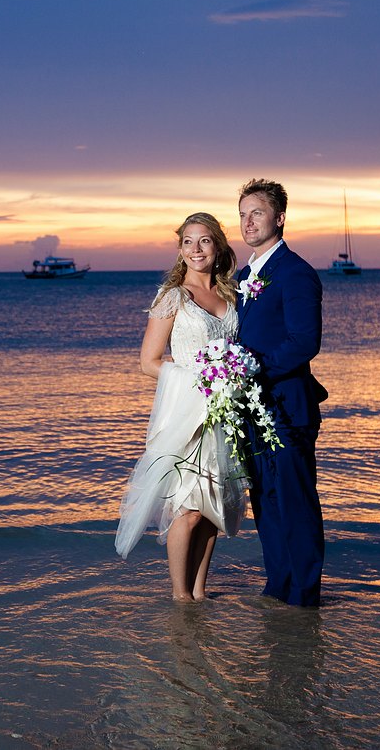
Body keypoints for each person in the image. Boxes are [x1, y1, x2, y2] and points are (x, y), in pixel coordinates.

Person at [116, 213, 248, 601]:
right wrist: (201, 381)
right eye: (188, 242)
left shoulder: (231, 295)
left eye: (204, 241)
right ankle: (179, 596)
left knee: (213, 508)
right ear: (180, 250)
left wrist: (230, 384)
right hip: (188, 414)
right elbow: (149, 361)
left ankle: (199, 593)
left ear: (218, 246)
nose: (196, 249)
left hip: (224, 415)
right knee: (187, 508)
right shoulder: (173, 297)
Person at [235, 178, 328, 606]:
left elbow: (305, 340)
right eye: (242, 214)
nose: (248, 221)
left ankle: (305, 597)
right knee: (265, 502)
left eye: (256, 213)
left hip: (288, 407)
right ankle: (278, 590)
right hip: (250, 411)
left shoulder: (296, 272)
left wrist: (252, 370)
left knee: (295, 501)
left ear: (280, 218)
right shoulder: (242, 276)